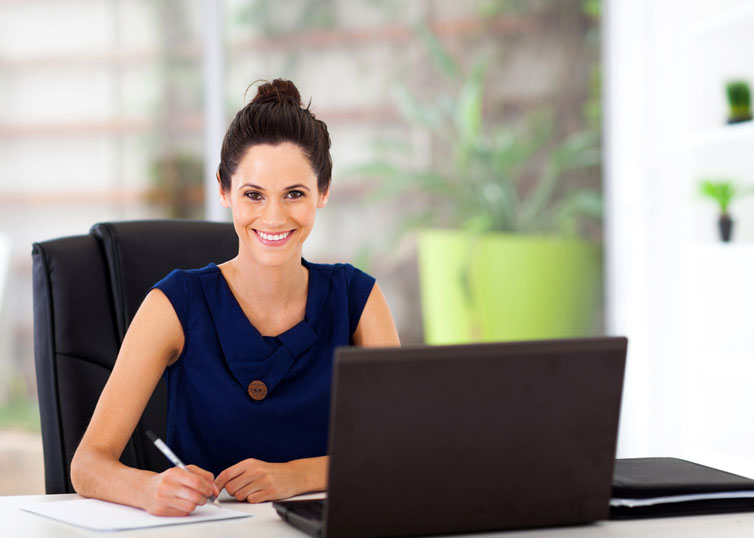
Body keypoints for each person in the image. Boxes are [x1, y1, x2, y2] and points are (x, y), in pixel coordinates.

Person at [70, 79, 400, 516]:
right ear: (225, 192)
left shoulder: (358, 298)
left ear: (323, 192)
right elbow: (87, 464)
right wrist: (146, 488)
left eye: (295, 194)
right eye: (253, 195)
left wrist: (296, 475)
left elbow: (399, 452)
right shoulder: (176, 303)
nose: (274, 216)